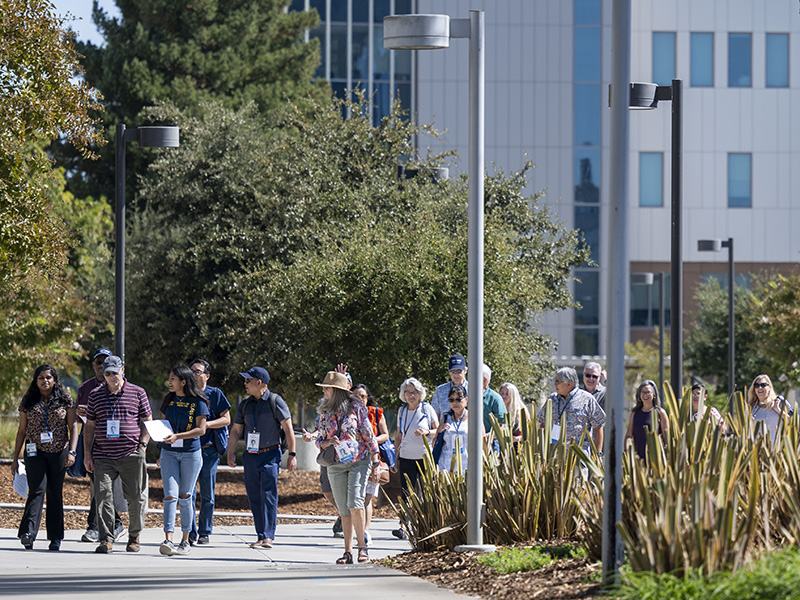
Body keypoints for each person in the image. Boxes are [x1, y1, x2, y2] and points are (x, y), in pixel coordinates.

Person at [83, 355, 152, 554]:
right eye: (108, 373)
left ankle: (134, 536)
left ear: (123, 370)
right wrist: (88, 454)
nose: (112, 377)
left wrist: (143, 445)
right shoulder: (95, 395)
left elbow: (147, 419)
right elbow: (90, 426)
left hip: (131, 454)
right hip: (103, 456)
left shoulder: (138, 392)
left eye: (115, 372)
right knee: (103, 497)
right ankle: (106, 539)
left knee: (135, 497)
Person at [227, 366, 297, 549]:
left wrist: (292, 454)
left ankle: (268, 537)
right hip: (250, 456)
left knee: (268, 495)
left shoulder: (275, 401)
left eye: (248, 381)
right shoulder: (245, 404)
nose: (245, 384)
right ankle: (260, 535)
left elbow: (288, 429)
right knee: (254, 496)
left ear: (259, 383)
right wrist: (230, 452)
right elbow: (236, 430)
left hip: (270, 455)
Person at [314, 371, 379, 564]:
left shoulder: (356, 407)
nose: (324, 390)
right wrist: (327, 443)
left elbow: (369, 436)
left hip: (359, 461)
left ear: (337, 391)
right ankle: (348, 551)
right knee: (343, 508)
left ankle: (362, 548)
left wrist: (376, 464)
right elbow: (319, 440)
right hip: (335, 464)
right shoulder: (324, 411)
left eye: (327, 387)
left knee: (355, 503)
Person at [11, 365, 79, 550]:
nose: (45, 380)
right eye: (41, 377)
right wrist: (15, 457)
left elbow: (73, 427)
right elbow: (22, 430)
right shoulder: (28, 401)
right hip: (35, 451)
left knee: (55, 493)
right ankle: (28, 534)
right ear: (36, 380)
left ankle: (55, 537)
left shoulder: (65, 399)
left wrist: (72, 451)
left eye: (49, 377)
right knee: (36, 491)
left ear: (55, 380)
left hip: (59, 451)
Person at [158, 364, 209, 556]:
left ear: (183, 382)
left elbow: (201, 430)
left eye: (173, 379)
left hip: (191, 454)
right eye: (169, 378)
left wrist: (178, 437)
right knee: (170, 495)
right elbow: (163, 424)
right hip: (169, 452)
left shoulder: (198, 402)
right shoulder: (168, 400)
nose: (169, 382)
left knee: (186, 496)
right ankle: (168, 539)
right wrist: (161, 445)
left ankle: (185, 540)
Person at [76, 348, 124, 543]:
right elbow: (77, 419)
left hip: (113, 443)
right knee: (100, 486)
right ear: (94, 365)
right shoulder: (86, 388)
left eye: (106, 362)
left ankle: (98, 526)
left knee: (103, 487)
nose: (102, 366)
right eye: (99, 362)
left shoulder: (121, 387)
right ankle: (112, 524)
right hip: (92, 441)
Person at [188, 359, 231, 546]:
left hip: (208, 451)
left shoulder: (215, 394)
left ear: (207, 375)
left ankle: (205, 531)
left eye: (198, 371)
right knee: (188, 494)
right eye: (192, 371)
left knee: (207, 494)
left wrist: (205, 425)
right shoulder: (186, 394)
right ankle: (189, 531)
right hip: (189, 450)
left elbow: (227, 419)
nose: (194, 374)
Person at [392, 377, 439, 539]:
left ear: (420, 394)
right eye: (408, 393)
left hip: (425, 457)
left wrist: (426, 433)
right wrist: (394, 458)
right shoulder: (402, 411)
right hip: (406, 457)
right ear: (403, 394)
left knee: (427, 492)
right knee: (406, 493)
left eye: (414, 393)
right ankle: (404, 527)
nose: (411, 396)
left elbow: (437, 430)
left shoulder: (427, 409)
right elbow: (399, 435)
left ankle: (429, 526)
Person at [351, 383, 389, 546]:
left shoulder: (375, 412)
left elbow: (386, 435)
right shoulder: (347, 413)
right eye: (357, 396)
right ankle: (357, 529)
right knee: (356, 497)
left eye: (363, 396)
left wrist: (371, 440)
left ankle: (365, 531)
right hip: (353, 460)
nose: (361, 399)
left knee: (367, 498)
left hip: (373, 459)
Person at [537, 366, 605, 454]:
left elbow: (598, 425)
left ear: (569, 384)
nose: (555, 384)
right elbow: (543, 424)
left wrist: (598, 453)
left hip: (578, 457)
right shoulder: (552, 399)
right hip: (554, 458)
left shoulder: (587, 399)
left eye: (558, 382)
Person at [624, 380, 669, 461]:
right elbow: (629, 435)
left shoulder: (660, 413)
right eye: (643, 392)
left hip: (656, 460)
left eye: (648, 392)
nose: (645, 395)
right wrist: (626, 455)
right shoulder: (634, 413)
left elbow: (667, 438)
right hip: (638, 460)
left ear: (654, 394)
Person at [434, 384, 471, 472]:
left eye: (458, 399)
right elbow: (436, 439)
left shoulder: (474, 417)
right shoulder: (446, 417)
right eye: (451, 400)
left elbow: (483, 439)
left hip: (467, 464)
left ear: (466, 400)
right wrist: (440, 430)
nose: (455, 403)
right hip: (447, 463)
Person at [748, 374, 793, 441]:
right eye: (756, 385)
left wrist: (778, 410)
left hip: (778, 448)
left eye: (763, 385)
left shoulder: (779, 401)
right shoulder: (751, 407)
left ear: (769, 387)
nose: (760, 388)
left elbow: (793, 421)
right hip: (760, 448)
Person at [430, 354, 469, 418]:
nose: (455, 374)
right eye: (452, 371)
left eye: (459, 371)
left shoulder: (473, 390)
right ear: (449, 372)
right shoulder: (440, 391)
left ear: (465, 371)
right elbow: (434, 416)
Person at [481, 364, 506, 445]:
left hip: (490, 444)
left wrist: (489, 436)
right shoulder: (466, 395)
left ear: (484, 380)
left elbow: (504, 426)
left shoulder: (495, 398)